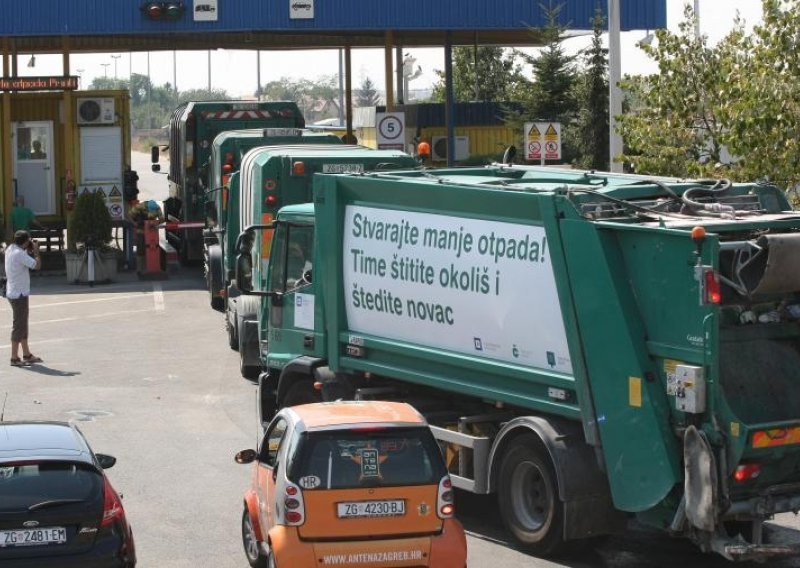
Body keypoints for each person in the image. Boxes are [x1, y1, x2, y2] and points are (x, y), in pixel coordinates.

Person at [5, 230, 42, 367]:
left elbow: (23, 260)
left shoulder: (11, 249)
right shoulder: (19, 254)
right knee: (19, 326)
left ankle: (26, 354)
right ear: (25, 241)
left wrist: (28, 249)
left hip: (14, 292)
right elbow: (37, 266)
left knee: (22, 325)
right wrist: (37, 251)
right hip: (19, 294)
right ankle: (14, 357)